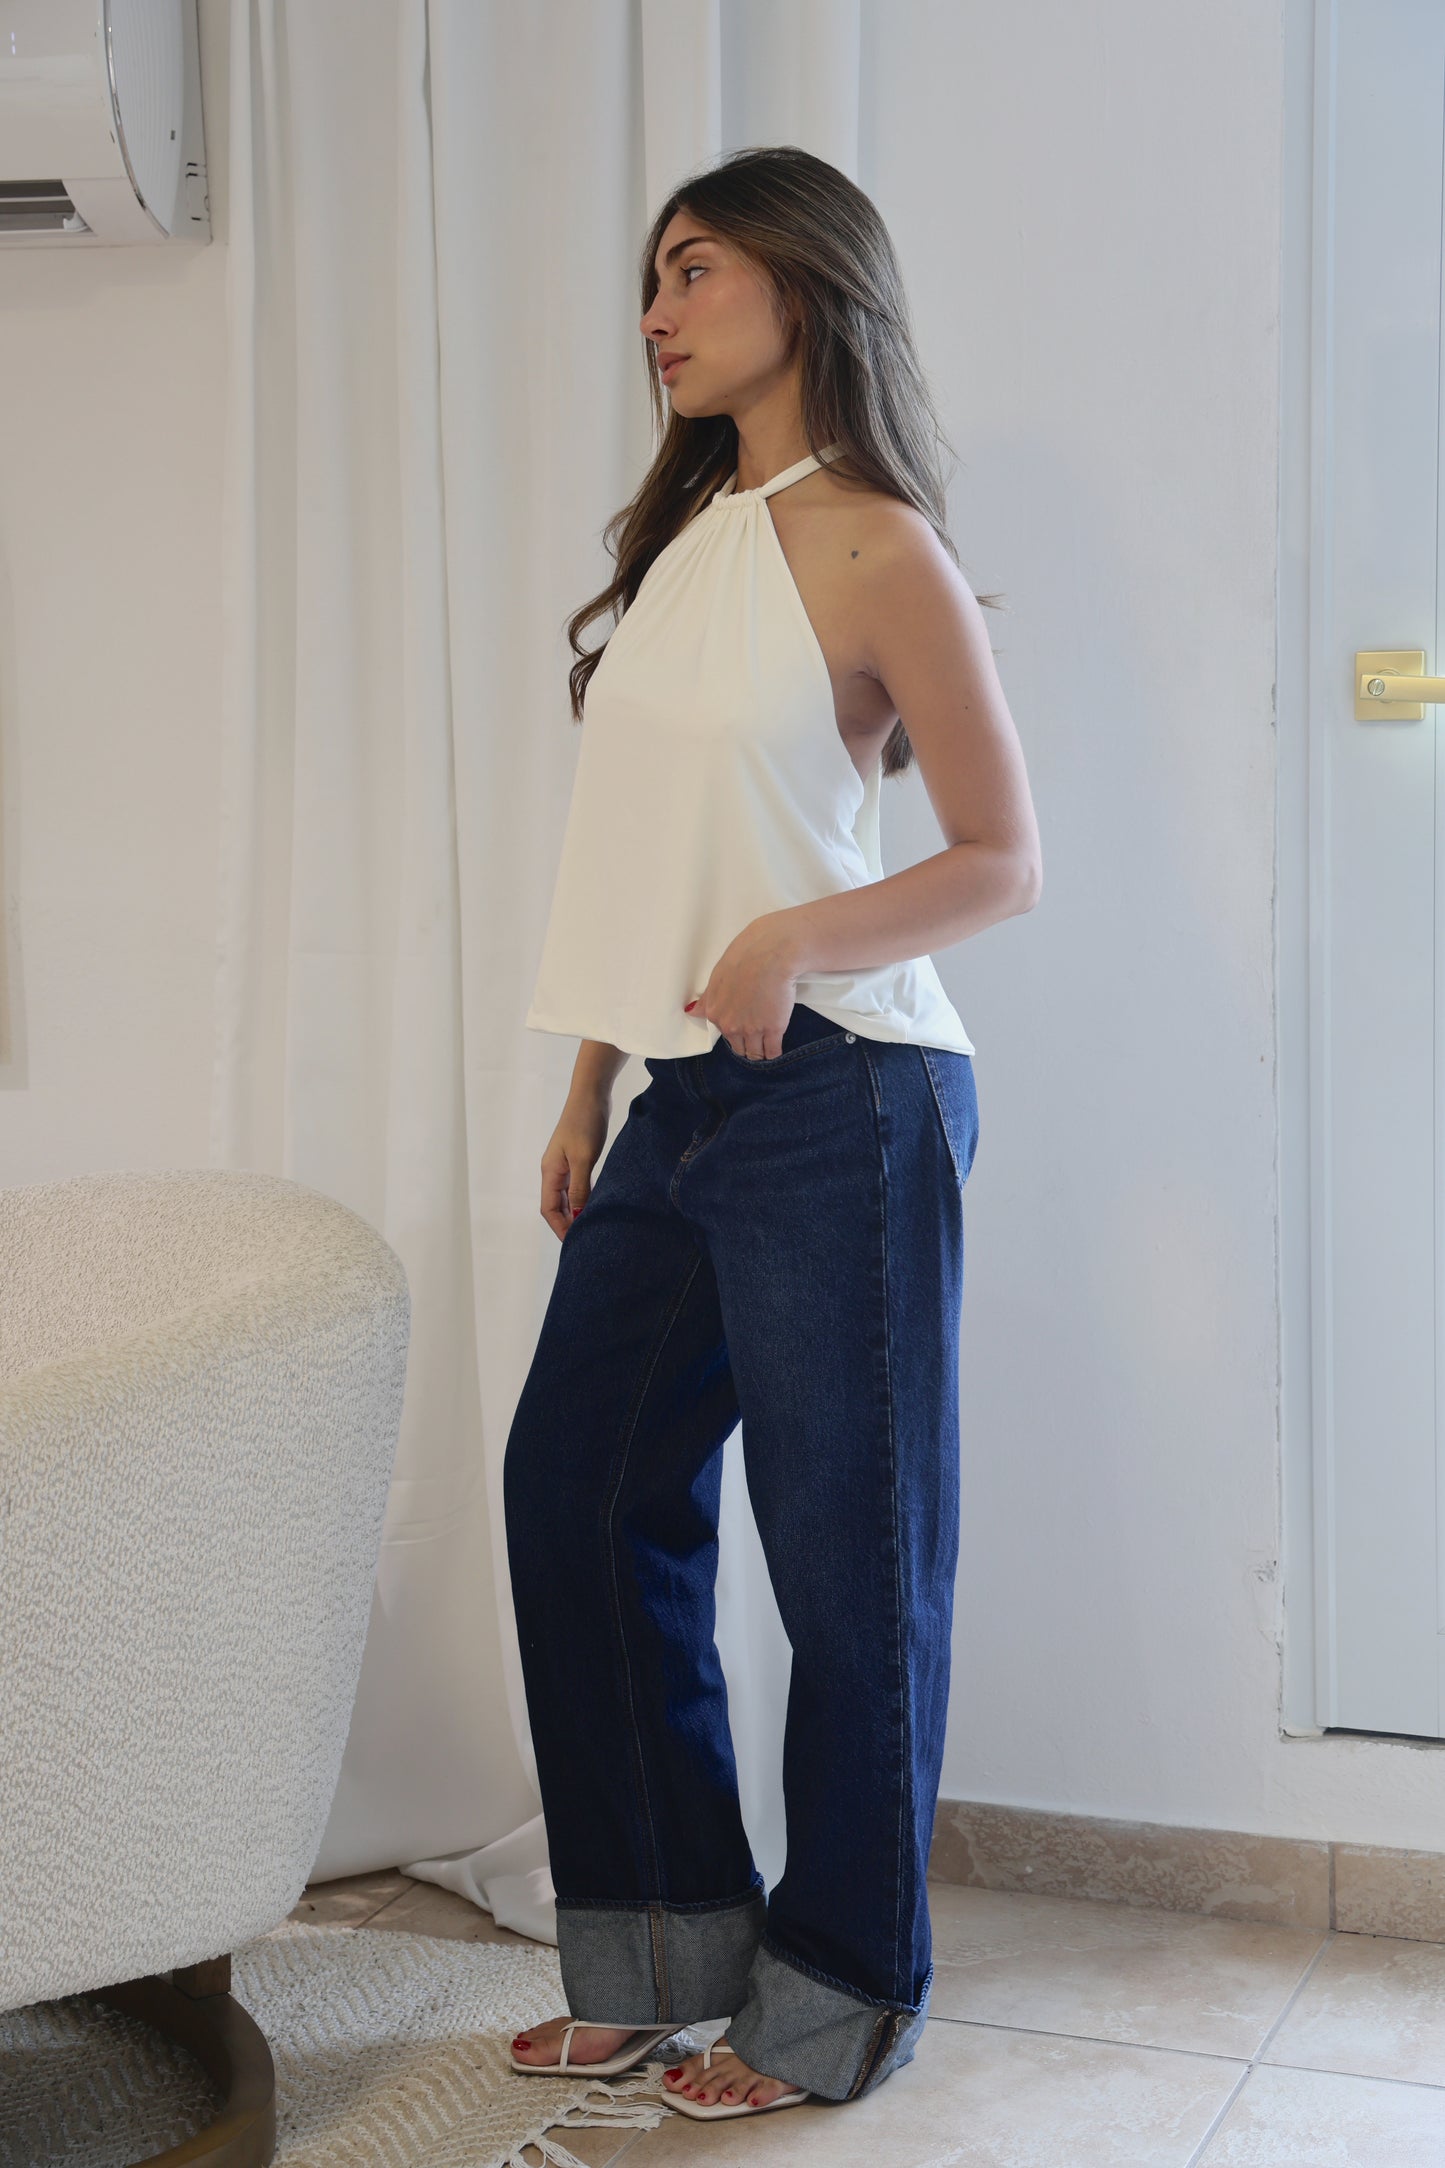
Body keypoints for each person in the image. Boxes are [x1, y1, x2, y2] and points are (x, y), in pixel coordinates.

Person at [504, 145, 1041, 2121]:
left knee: (848, 1558)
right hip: (677, 1099)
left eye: (694, 270)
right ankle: (658, 1952)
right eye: (650, 276)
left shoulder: (875, 542)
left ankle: (840, 1999)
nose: (656, 309)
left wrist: (798, 930)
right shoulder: (681, 551)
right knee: (576, 1483)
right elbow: (631, 856)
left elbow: (1005, 858)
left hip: (853, 1094)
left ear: (802, 286)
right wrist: (586, 1082)